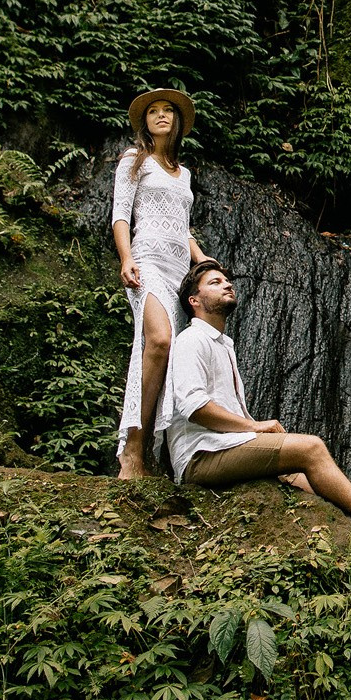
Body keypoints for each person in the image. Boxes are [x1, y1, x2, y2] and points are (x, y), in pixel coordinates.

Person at [160, 259, 351, 552]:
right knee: (310, 448)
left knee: (303, 478)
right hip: (200, 456)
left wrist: (254, 434)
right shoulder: (192, 339)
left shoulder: (221, 345)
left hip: (223, 446)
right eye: (215, 283)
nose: (227, 284)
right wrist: (254, 426)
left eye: (226, 280)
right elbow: (194, 406)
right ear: (194, 300)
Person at [112, 88, 208, 479]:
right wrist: (126, 258)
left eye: (169, 110)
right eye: (154, 111)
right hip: (146, 262)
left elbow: (182, 229)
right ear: (145, 122)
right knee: (160, 340)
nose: (162, 115)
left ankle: (149, 450)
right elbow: (121, 215)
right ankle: (132, 449)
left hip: (177, 271)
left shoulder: (184, 173)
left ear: (178, 121)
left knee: (165, 356)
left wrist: (201, 258)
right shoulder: (133, 160)